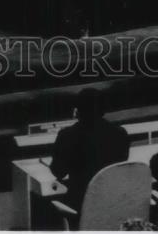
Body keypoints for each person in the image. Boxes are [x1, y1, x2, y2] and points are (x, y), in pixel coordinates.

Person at [50, 88, 130, 221]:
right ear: (103, 110)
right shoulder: (120, 133)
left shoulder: (67, 135)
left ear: (77, 111)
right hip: (113, 204)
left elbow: (58, 172)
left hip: (80, 206)